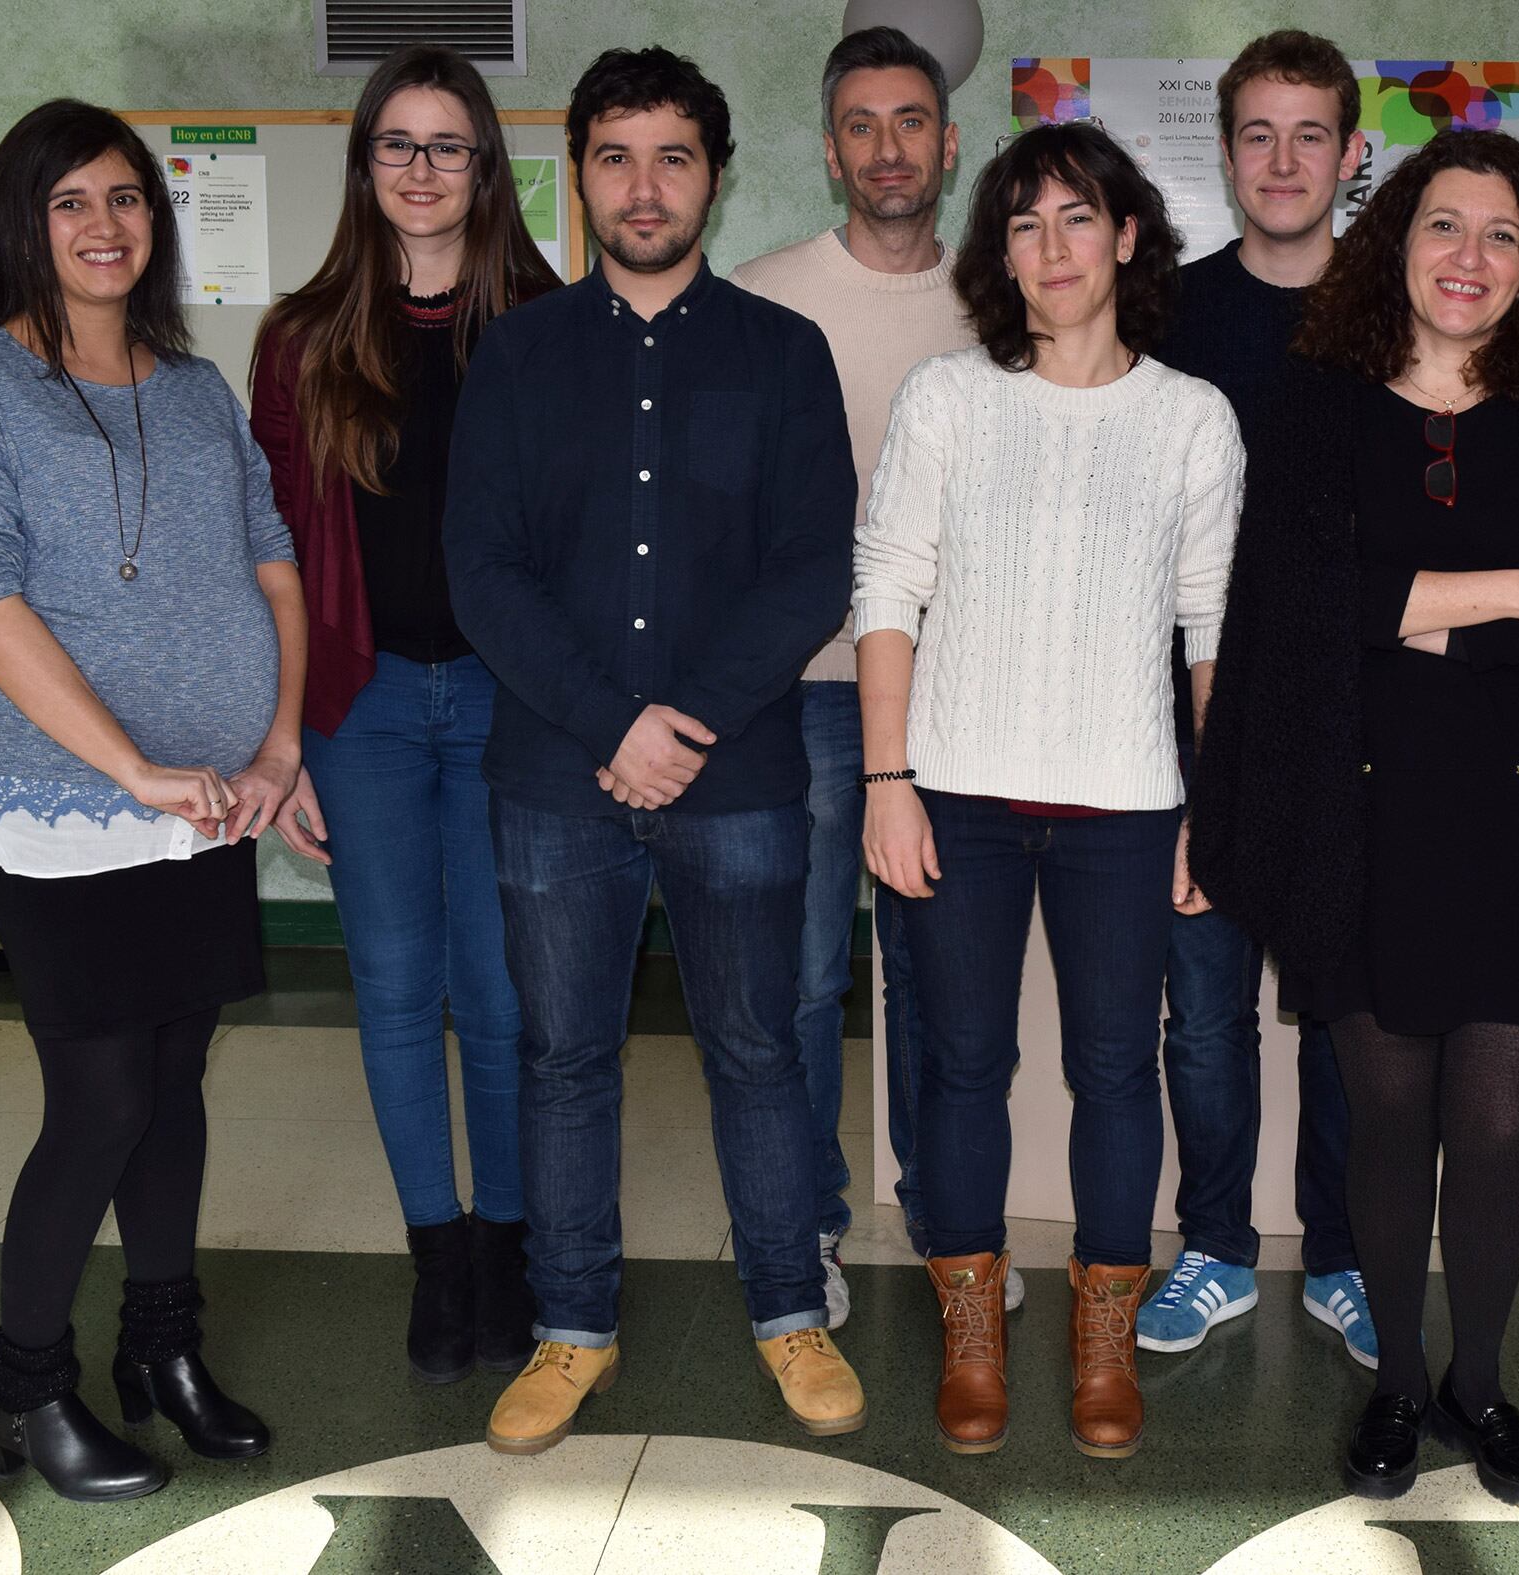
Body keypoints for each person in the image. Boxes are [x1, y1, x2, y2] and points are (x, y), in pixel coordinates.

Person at [1191, 131, 1519, 1505]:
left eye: (1501, 234)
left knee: (1497, 1133)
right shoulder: (1315, 402)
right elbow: (1289, 611)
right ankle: (1399, 1375)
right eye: (1442, 225)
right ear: (1391, 239)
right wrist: (1505, 591)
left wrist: (1413, 614)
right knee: (1388, 1128)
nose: (1468, 258)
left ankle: (1480, 1381)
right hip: (1360, 830)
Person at [443, 46, 861, 1455]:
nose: (643, 184)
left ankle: (789, 1307)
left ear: (714, 178)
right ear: (580, 175)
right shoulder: (515, 355)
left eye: (672, 156)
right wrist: (608, 721)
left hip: (736, 773)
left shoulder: (780, 353)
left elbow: (813, 568)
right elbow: (482, 569)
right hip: (553, 778)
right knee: (564, 1058)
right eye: (615, 156)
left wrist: (681, 723)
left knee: (760, 1047)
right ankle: (573, 1330)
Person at [0, 99, 305, 1501]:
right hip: (61, 806)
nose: (104, 225)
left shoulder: (194, 385)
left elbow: (271, 562)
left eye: (129, 197)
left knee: (178, 1083)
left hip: (205, 806)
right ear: (23, 218)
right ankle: (25, 1388)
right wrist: (129, 765)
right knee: (100, 1097)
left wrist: (280, 743)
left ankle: (162, 1350)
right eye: (72, 199)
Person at [855, 121, 1240, 1460]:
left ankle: (1099, 1339)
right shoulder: (947, 399)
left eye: (1075, 218)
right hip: (952, 786)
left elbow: (1210, 629)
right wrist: (886, 777)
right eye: (1022, 225)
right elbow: (886, 589)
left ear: (1126, 235)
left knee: (1114, 1069)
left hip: (1127, 800)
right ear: (998, 255)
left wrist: (1209, 808)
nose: (1050, 248)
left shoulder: (1191, 416)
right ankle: (972, 1329)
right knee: (960, 1065)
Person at [249, 42, 560, 1388]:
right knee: (392, 990)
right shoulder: (301, 339)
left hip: (504, 703)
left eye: (450, 146)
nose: (424, 171)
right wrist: (280, 732)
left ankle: (506, 1250)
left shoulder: (548, 321)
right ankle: (434, 1257)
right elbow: (264, 551)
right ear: (365, 165)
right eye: (399, 145)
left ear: (486, 170)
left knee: (497, 995)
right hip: (362, 706)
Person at [729, 26, 1019, 1322]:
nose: (887, 147)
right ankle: (806, 1229)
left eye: (911, 122)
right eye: (862, 123)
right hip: (800, 692)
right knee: (801, 977)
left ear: (948, 145)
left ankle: (949, 1218)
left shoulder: (1003, 304)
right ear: (829, 144)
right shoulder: (759, 298)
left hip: (953, 705)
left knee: (940, 977)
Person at [1134, 28, 1374, 1370]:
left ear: (1351, 154)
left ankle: (1342, 1252)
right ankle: (1215, 1245)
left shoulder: (1400, 311)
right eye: (1254, 134)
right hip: (1190, 718)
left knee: (1341, 1003)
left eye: (1307, 135)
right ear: (1223, 152)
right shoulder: (1168, 310)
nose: (1280, 161)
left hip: (1350, 718)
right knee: (1206, 1004)